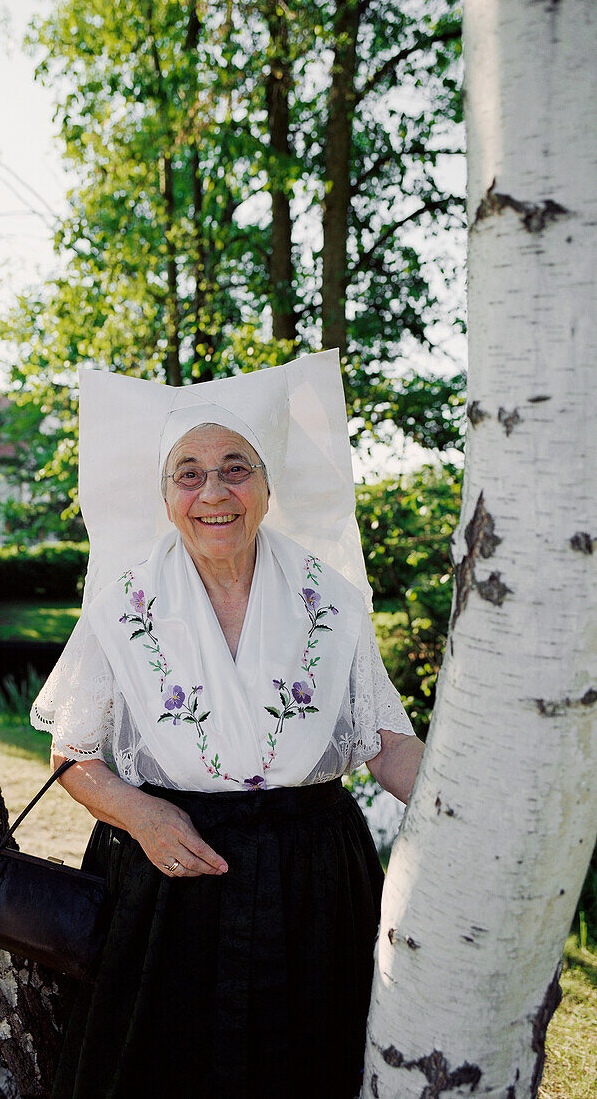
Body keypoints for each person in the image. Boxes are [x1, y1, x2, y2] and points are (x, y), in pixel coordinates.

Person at [32, 353, 424, 1099]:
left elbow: (386, 744)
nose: (214, 491)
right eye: (189, 472)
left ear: (269, 487)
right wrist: (141, 815)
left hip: (313, 887)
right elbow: (73, 754)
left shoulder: (332, 603)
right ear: (167, 494)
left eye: (236, 467)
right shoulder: (122, 605)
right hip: (167, 890)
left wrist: (472, 806)